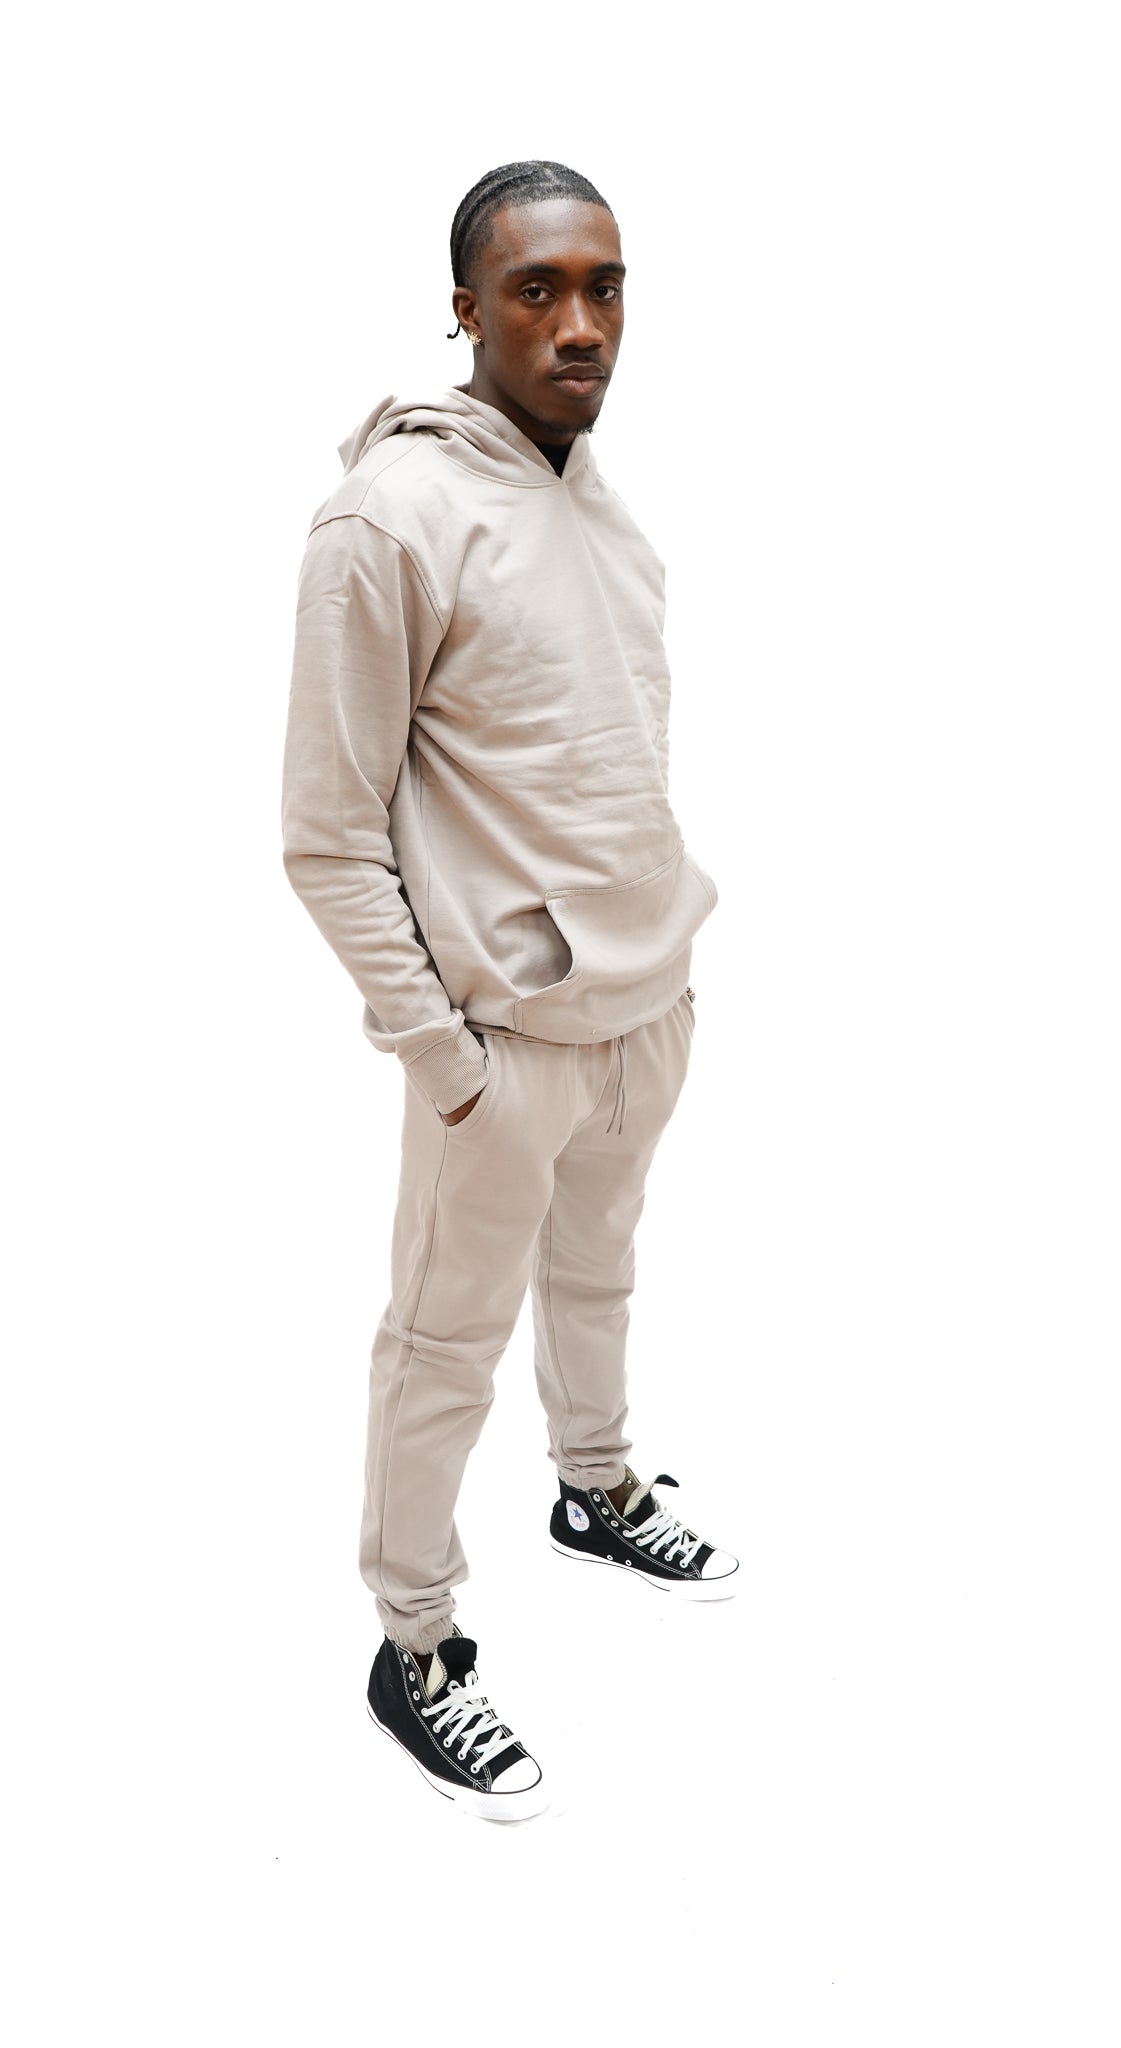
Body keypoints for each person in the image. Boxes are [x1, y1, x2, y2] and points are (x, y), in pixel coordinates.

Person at [282, 160, 738, 1822]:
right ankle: (414, 1643)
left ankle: (593, 1488)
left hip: (643, 1007)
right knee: (441, 1346)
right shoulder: (388, 519)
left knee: (599, 1279)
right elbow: (326, 834)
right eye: (536, 289)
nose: (579, 323)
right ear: (464, 309)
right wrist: (444, 1056)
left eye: (603, 286)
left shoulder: (598, 497)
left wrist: (663, 967)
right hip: (503, 1047)